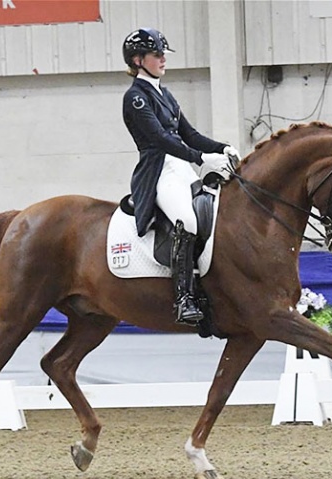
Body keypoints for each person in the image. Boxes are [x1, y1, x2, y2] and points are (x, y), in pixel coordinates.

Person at [121, 27, 241, 326]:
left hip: (182, 168)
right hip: (159, 170)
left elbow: (189, 134)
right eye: (156, 54)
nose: (163, 59)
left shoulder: (165, 93)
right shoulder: (135, 97)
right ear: (138, 60)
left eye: (163, 53)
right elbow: (160, 138)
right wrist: (202, 158)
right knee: (186, 220)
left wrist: (221, 147)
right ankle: (184, 298)